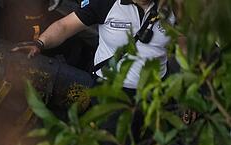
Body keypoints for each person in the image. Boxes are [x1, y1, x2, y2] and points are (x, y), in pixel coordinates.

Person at [13, 0, 174, 91]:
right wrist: (40, 43)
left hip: (156, 93)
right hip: (110, 91)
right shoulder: (106, 3)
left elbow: (186, 45)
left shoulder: (174, 7)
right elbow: (65, 26)